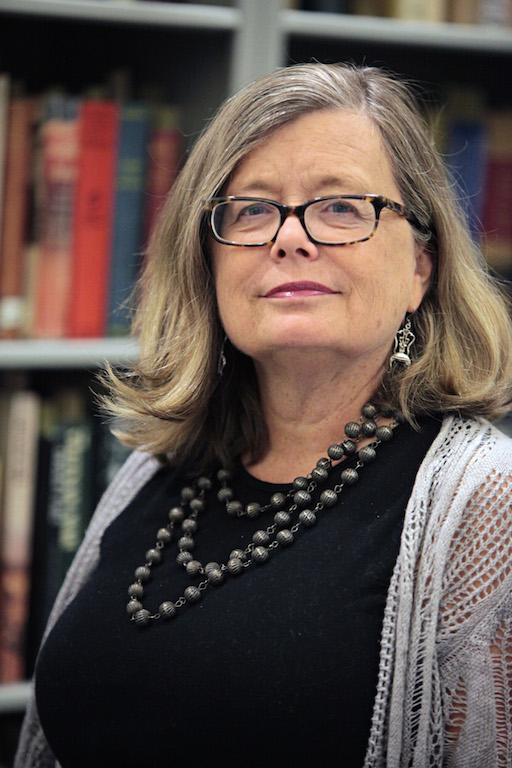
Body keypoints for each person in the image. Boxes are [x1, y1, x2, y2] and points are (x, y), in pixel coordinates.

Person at [16, 63, 512, 768]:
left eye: (340, 206)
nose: (289, 237)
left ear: (420, 270)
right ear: (209, 263)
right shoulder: (153, 470)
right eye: (251, 210)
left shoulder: (486, 501)